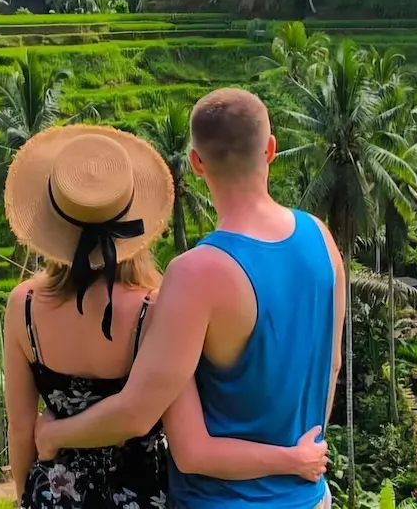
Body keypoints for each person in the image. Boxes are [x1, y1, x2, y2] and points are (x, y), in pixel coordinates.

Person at [35, 90, 346, 509]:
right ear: (271, 149)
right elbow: (332, 364)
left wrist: (53, 434)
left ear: (196, 162)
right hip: (310, 496)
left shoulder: (195, 273)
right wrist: (297, 456)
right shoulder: (321, 239)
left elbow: (144, 419)